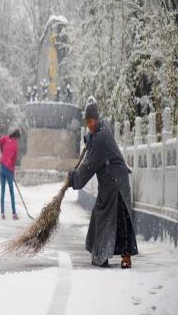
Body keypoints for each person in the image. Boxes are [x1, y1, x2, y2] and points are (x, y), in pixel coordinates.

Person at [68, 97, 138, 268]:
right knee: (103, 216)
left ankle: (120, 257)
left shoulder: (101, 138)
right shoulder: (101, 129)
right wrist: (88, 138)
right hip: (110, 181)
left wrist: (73, 179)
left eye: (91, 121)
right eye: (87, 122)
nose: (90, 125)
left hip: (116, 183)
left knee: (118, 220)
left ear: (96, 119)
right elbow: (93, 137)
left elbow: (88, 167)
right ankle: (101, 254)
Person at [0, 129, 21, 220]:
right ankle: (14, 213)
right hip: (8, 168)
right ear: (16, 137)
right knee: (11, 192)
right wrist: (12, 171)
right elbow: (14, 160)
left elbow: (0, 141)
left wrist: (2, 152)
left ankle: (2, 213)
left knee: (2, 191)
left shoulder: (6, 138)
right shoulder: (15, 144)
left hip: (2, 165)